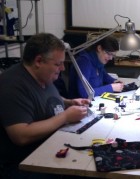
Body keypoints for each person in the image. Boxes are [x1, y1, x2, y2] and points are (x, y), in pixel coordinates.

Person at [0, 33, 91, 179]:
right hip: (24, 164)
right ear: (38, 61)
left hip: (49, 148)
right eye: (58, 63)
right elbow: (21, 135)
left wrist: (68, 102)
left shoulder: (42, 76)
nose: (62, 68)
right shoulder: (12, 85)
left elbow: (44, 98)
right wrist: (65, 116)